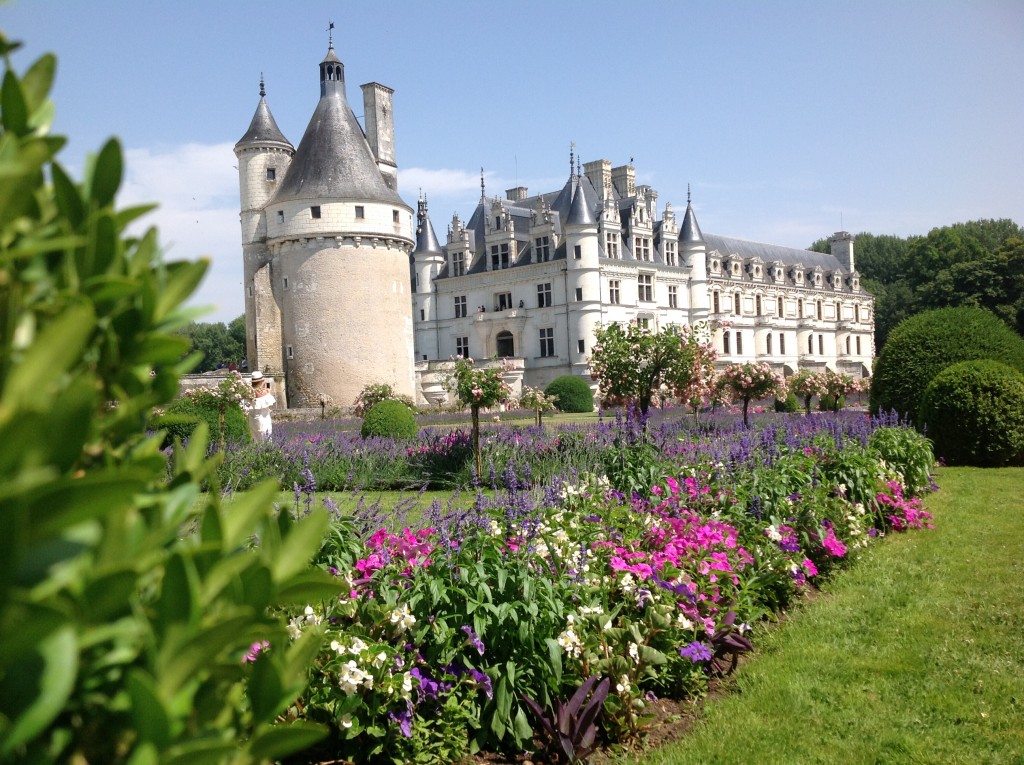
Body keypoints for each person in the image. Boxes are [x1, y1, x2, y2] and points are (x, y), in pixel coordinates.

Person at [244, 370, 276, 440]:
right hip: (263, 419)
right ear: (261, 381)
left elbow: (246, 405)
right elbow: (270, 402)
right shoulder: (264, 393)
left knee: (255, 439)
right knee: (266, 439)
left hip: (252, 420)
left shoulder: (249, 393)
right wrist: (265, 383)